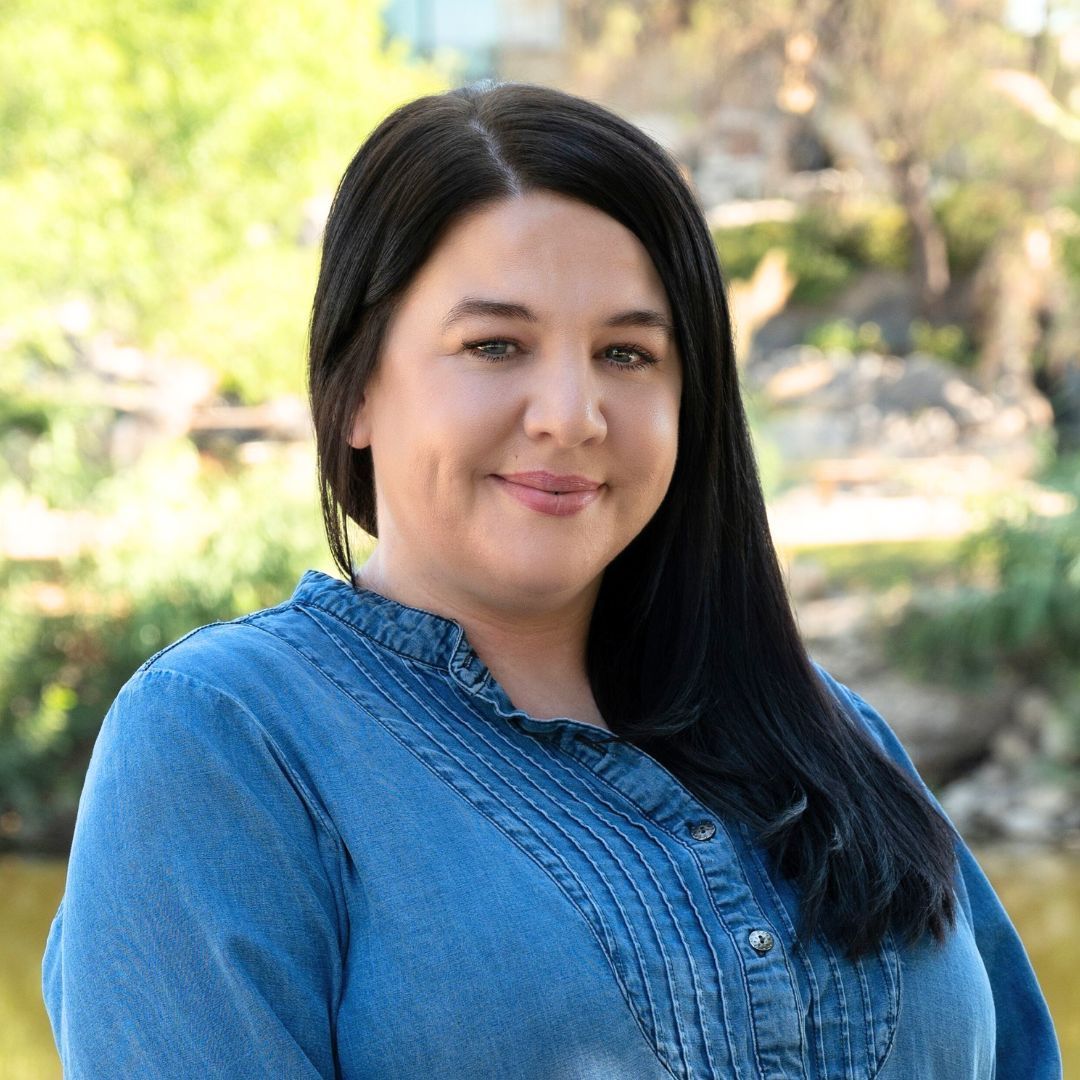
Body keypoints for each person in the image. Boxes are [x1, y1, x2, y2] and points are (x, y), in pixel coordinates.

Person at [42, 80, 1060, 1080]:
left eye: (627, 353)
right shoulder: (224, 744)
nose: (571, 414)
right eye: (495, 345)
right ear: (352, 391)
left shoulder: (831, 737)